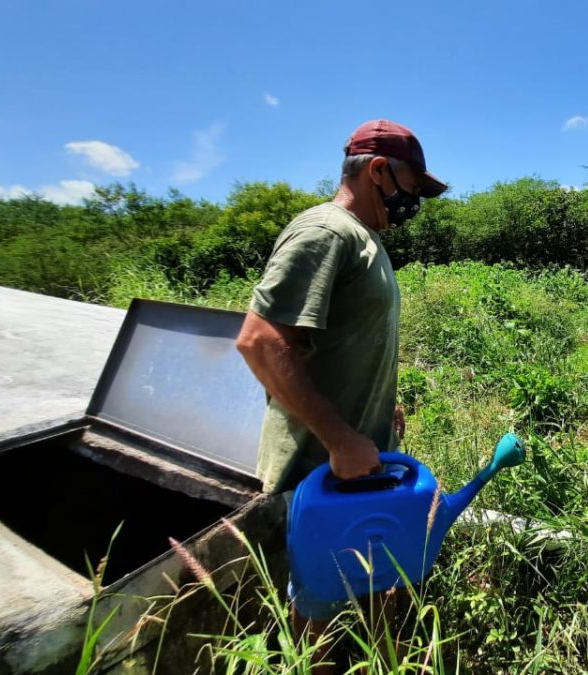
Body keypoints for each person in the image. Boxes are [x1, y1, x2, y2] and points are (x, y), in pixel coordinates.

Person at [235, 119, 447, 671]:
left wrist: (381, 407)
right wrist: (339, 437)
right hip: (321, 475)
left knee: (373, 589)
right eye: (412, 187)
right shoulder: (326, 233)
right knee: (317, 623)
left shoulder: (363, 240)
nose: (414, 203)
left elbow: (340, 342)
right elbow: (261, 342)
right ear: (379, 171)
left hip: (359, 466)